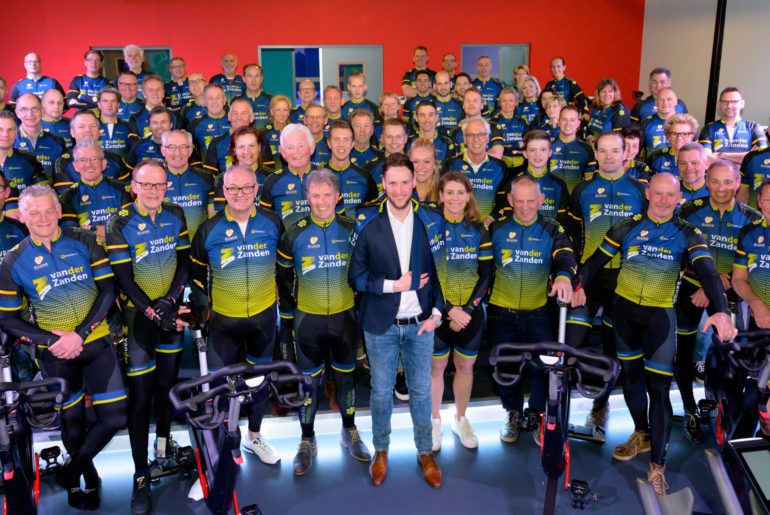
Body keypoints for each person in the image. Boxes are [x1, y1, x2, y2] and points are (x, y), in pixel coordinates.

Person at [573, 172, 737, 495]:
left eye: (670, 195)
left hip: (660, 319)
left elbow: (708, 273)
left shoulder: (688, 232)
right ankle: (642, 433)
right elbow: (594, 261)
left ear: (679, 198)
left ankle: (657, 466)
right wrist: (576, 283)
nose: (663, 200)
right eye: (658, 193)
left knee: (658, 389)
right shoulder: (627, 226)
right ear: (647, 193)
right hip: (624, 316)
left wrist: (721, 309)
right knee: (631, 379)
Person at [0, 184, 127, 510]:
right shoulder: (13, 261)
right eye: (34, 213)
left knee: (114, 417)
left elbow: (108, 292)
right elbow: (8, 320)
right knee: (72, 423)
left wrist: (79, 335)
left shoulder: (84, 240)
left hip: (96, 342)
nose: (43, 218)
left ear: (59, 211)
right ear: (22, 216)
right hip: (55, 354)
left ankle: (71, 471)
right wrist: (53, 341)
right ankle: (85, 478)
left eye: (49, 210)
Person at [348, 153, 446, 488]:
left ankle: (425, 452)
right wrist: (394, 285)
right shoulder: (367, 224)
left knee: (420, 391)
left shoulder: (430, 221)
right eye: (393, 183)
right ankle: (381, 451)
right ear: (384, 184)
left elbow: (441, 272)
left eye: (406, 182)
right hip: (381, 325)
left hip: (421, 325)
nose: (400, 189)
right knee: (380, 392)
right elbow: (355, 278)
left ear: (415, 181)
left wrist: (437, 314)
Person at [105, 160, 190, 513]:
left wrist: (171, 301)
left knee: (167, 387)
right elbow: (124, 278)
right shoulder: (118, 222)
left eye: (160, 185)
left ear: (166, 186)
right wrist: (155, 312)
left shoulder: (176, 213)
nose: (154, 191)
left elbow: (184, 262)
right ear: (134, 186)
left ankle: (163, 447)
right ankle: (140, 474)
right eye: (147, 184)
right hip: (139, 319)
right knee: (140, 399)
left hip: (169, 311)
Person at [277, 168, 371, 474]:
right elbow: (284, 277)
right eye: (315, 195)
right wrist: (294, 305)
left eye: (327, 195)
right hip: (308, 321)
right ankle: (307, 439)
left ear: (338, 196)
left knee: (346, 380)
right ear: (307, 197)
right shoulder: (293, 233)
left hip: (345, 318)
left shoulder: (352, 230)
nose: (321, 201)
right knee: (308, 385)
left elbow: (366, 269)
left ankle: (349, 430)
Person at [191, 164, 284, 465]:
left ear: (256, 189)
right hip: (223, 323)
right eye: (233, 188)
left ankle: (254, 437)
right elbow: (196, 275)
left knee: (258, 383)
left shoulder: (273, 222)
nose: (240, 194)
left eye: (246, 187)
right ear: (224, 191)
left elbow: (285, 265)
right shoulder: (208, 229)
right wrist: (204, 308)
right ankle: (224, 444)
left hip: (263, 319)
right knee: (221, 388)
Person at [565, 132, 647, 431]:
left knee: (614, 348)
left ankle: (600, 406)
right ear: (595, 154)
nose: (609, 156)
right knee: (571, 342)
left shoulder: (640, 190)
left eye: (615, 151)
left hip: (626, 278)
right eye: (603, 151)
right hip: (588, 277)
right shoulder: (582, 190)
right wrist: (575, 279)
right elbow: (572, 239)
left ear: (626, 153)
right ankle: (559, 409)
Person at [675, 160, 760, 441]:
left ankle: (730, 414)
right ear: (706, 180)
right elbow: (678, 252)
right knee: (684, 351)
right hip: (692, 288)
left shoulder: (751, 218)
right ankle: (689, 407)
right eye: (715, 181)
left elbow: (750, 261)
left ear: (738, 183)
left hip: (731, 292)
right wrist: (705, 284)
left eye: (727, 182)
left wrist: (724, 279)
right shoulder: (689, 210)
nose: (721, 188)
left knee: (733, 355)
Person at [488, 174, 576, 444]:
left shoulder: (552, 228)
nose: (525, 207)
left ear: (541, 200)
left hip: (538, 313)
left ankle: (536, 414)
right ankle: (513, 413)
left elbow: (566, 255)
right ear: (510, 200)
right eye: (519, 201)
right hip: (501, 312)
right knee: (506, 367)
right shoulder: (496, 228)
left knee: (544, 367)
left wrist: (564, 276)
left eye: (531, 201)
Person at [430, 171, 491, 450]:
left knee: (465, 366)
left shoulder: (479, 230)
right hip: (437, 311)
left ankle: (460, 418)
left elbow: (486, 275)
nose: (455, 198)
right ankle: (434, 421)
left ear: (468, 197)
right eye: (449, 192)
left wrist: (465, 310)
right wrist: (448, 310)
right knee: (437, 368)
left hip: (470, 312)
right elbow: (426, 274)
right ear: (441, 196)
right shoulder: (430, 228)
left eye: (460, 193)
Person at [59, 140, 132, 243]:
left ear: (104, 164)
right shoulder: (68, 197)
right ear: (75, 166)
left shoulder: (122, 189)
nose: (89, 164)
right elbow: (72, 237)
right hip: (88, 251)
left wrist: (92, 229)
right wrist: (110, 231)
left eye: (94, 159)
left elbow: (130, 229)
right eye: (82, 160)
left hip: (119, 248)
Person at [442, 117, 507, 223]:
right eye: (471, 135)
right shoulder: (451, 165)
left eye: (481, 134)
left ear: (487, 138)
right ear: (464, 139)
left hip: (487, 228)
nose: (476, 139)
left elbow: (503, 201)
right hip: (457, 226)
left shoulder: (500, 167)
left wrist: (492, 218)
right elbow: (443, 197)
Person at [501, 130, 569, 227]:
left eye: (543, 149)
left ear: (550, 153)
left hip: (550, 235)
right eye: (532, 150)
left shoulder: (560, 185)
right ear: (525, 153)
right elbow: (508, 220)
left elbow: (562, 223)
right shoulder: (513, 183)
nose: (538, 154)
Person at [53, 110, 130, 194]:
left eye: (93, 126)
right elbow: (66, 198)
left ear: (99, 131)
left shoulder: (116, 159)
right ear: (72, 132)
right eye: (81, 126)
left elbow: (127, 193)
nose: (88, 130)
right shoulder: (62, 162)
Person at [161, 129, 216, 238]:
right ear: (163, 151)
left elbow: (213, 218)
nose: (177, 152)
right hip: (167, 245)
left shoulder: (206, 178)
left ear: (190, 151)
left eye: (183, 147)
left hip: (199, 244)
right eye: (171, 147)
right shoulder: (152, 180)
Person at [733, 178, 770, 330]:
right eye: (768, 200)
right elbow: (738, 279)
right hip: (759, 318)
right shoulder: (749, 232)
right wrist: (755, 303)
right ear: (759, 201)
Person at [699, 87, 768, 165]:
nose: (729, 105)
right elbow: (706, 159)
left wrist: (722, 155)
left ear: (742, 103)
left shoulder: (754, 128)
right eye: (725, 101)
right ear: (719, 104)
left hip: (742, 174)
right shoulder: (708, 129)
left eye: (734, 102)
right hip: (720, 174)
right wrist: (745, 158)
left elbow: (762, 156)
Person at [326, 120, 378, 216]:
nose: (341, 145)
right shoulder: (317, 176)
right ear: (329, 143)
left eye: (346, 140)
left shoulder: (365, 177)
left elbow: (372, 214)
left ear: (352, 144)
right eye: (336, 139)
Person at [0, 111, 46, 216]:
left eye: (10, 129)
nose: (5, 134)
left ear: (17, 133)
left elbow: (44, 196)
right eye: (0, 129)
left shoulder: (30, 159)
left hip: (23, 220)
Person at [13, 93, 66, 177]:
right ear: (17, 113)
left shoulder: (58, 142)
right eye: (24, 109)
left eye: (34, 109)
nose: (30, 114)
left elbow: (62, 177)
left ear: (42, 111)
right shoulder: (8, 141)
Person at [550, 105, 596, 193]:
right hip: (551, 198)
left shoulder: (587, 149)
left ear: (578, 123)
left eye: (572, 120)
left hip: (575, 198)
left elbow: (589, 182)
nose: (568, 124)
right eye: (564, 119)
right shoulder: (548, 147)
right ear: (558, 122)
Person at [128, 75, 178, 141]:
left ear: (163, 93)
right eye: (150, 90)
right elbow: (135, 145)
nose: (155, 93)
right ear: (144, 94)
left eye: (158, 89)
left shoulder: (176, 116)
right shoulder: (135, 119)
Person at [187, 83, 231, 156]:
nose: (214, 101)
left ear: (224, 100)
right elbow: (188, 150)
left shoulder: (233, 121)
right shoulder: (195, 124)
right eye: (210, 98)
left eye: (218, 97)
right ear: (205, 102)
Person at [489, 87, 528, 168]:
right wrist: (516, 144)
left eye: (511, 100)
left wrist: (509, 145)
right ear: (500, 103)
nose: (507, 104)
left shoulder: (522, 122)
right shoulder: (493, 122)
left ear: (516, 102)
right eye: (504, 101)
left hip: (520, 162)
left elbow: (528, 141)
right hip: (500, 163)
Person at [368, 118, 409, 191]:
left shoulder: (416, 166)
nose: (394, 141)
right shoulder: (370, 169)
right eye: (389, 137)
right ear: (382, 139)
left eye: (399, 137)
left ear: (405, 138)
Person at [586, 78, 630, 145]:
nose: (607, 94)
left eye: (610, 91)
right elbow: (589, 128)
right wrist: (589, 136)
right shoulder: (596, 107)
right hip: (594, 148)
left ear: (615, 93)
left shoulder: (620, 111)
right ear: (598, 93)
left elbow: (619, 141)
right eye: (603, 91)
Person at [639, 88, 679, 157]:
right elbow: (634, 152)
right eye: (661, 99)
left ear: (676, 101)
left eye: (669, 99)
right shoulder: (645, 124)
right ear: (656, 103)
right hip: (652, 164)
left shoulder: (686, 123)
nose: (665, 103)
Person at [234, 64, 272, 130]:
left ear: (261, 79)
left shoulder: (271, 100)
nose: (253, 80)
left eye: (257, 76)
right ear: (244, 79)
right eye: (250, 76)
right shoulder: (236, 101)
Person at [97, 87, 132, 157]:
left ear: (118, 105)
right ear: (99, 104)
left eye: (113, 101)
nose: (109, 105)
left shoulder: (128, 127)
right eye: (105, 101)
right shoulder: (91, 126)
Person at [303, 103, 331, 168]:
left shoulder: (332, 145)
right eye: (311, 117)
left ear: (325, 120)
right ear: (305, 120)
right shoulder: (296, 145)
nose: (314, 121)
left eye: (318, 117)